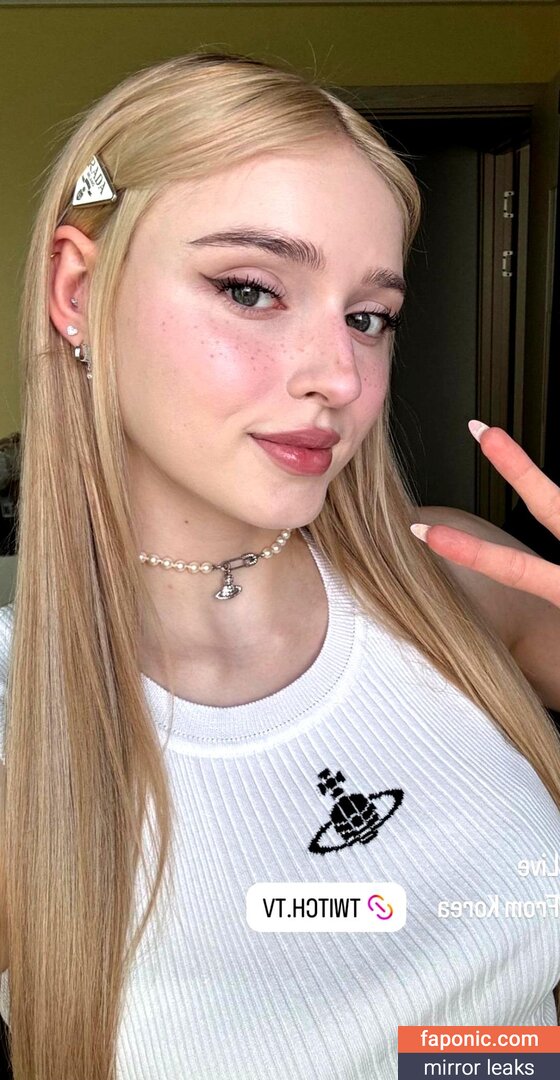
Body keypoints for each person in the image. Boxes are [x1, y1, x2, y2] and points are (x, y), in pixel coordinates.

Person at [0, 49, 558, 1080]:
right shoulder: (14, 723)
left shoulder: (456, 579)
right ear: (77, 291)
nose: (339, 377)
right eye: (252, 290)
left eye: (367, 317)